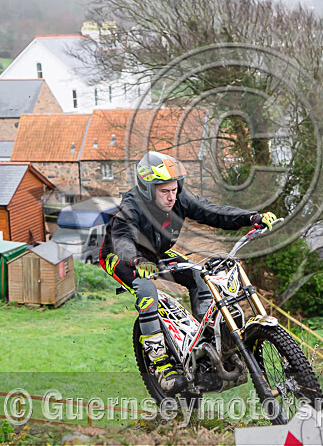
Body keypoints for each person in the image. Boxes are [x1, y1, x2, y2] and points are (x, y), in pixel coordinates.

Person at [99, 151, 276, 393]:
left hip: (157, 253)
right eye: (165, 191)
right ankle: (161, 365)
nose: (172, 197)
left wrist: (250, 217)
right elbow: (121, 239)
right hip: (122, 257)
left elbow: (211, 211)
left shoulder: (178, 198)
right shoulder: (132, 206)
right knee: (148, 290)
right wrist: (136, 261)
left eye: (174, 189)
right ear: (148, 189)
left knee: (199, 275)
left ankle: (204, 343)